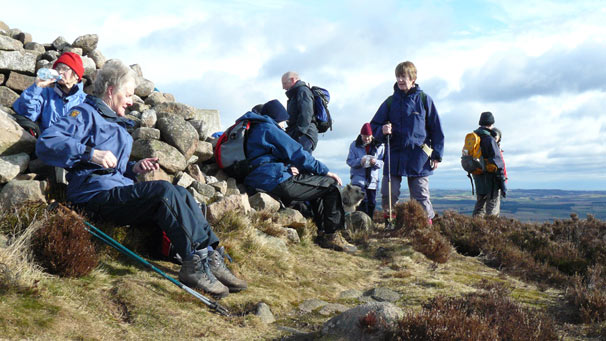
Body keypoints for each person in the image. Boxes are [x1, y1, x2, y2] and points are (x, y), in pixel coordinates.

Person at [35, 59, 246, 298]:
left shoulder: (115, 123)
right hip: (92, 195)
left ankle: (210, 254)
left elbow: (115, 166)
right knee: (164, 191)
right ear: (111, 91)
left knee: (182, 194)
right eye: (128, 94)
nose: (131, 100)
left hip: (114, 189)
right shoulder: (83, 113)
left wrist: (133, 168)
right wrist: (91, 153)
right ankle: (193, 262)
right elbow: (47, 143)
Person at [241, 99, 357, 253]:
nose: (285, 124)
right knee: (329, 185)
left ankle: (322, 231)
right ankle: (331, 235)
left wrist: (286, 167)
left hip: (260, 178)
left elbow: (265, 157)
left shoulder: (256, 128)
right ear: (277, 118)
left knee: (317, 187)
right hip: (274, 180)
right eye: (283, 120)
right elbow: (298, 152)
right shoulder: (269, 127)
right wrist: (325, 171)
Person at [370, 61, 445, 226]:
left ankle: (426, 226)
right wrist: (381, 130)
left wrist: (436, 155)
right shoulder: (390, 102)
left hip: (418, 156)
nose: (400, 80)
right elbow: (373, 125)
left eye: (403, 76)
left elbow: (436, 129)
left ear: (413, 78)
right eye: (398, 76)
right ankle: (390, 223)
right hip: (394, 154)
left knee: (420, 195)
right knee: (389, 193)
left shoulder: (425, 100)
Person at [13, 52, 87, 137]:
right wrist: (37, 87)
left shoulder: (85, 101)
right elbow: (27, 113)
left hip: (72, 148)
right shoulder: (46, 94)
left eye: (64, 69)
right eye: (58, 68)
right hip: (46, 145)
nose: (60, 72)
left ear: (77, 75)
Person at [472, 112, 507, 217]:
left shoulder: (475, 137)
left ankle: (475, 228)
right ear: (491, 123)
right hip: (491, 177)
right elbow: (498, 162)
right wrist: (502, 180)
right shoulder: (489, 139)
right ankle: (491, 230)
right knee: (492, 205)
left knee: (480, 204)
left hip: (477, 175)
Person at [346, 123, 384, 217]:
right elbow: (349, 161)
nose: (367, 139)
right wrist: (360, 161)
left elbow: (383, 163)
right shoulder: (354, 145)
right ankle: (359, 224)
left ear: (372, 135)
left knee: (371, 203)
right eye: (365, 136)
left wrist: (375, 162)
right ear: (361, 135)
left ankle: (369, 223)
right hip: (358, 180)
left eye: (369, 137)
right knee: (360, 203)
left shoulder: (379, 146)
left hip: (372, 181)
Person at [281, 71, 318, 154]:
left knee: (300, 163)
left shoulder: (303, 91)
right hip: (301, 134)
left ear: (292, 79)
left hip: (305, 135)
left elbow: (306, 113)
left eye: (284, 83)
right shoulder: (297, 93)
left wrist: (298, 134)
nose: (283, 87)